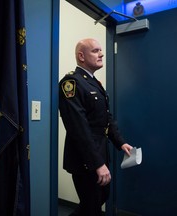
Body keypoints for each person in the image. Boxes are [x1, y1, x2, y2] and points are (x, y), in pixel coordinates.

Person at [59, 38, 133, 216]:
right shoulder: (71, 83)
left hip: (100, 152)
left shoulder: (93, 83)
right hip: (85, 158)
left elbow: (106, 117)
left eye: (101, 50)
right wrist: (97, 163)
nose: (101, 54)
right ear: (81, 56)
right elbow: (78, 128)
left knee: (99, 199)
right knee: (92, 206)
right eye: (95, 51)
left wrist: (120, 142)